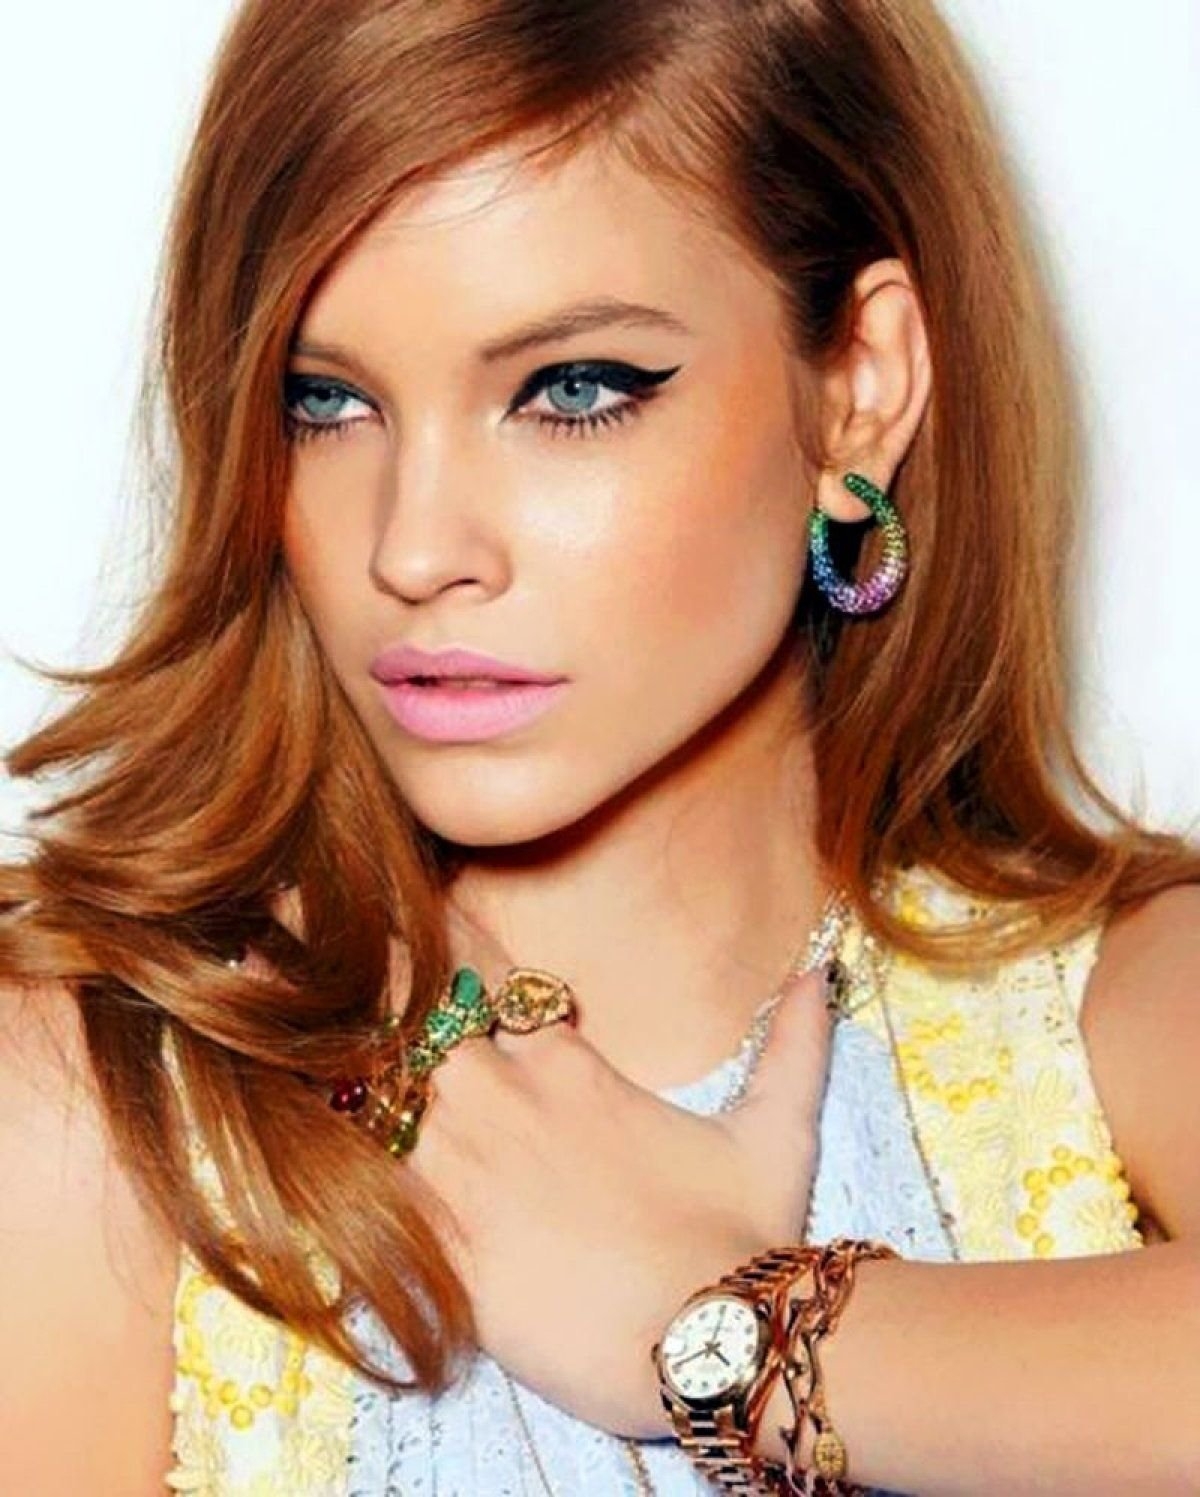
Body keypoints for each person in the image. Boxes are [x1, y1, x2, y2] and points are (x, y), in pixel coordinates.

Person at [1, 0, 1197, 1491]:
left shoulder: (1120, 1009)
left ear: (860, 387)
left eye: (571, 390)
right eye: (327, 400)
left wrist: (722, 1330)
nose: (413, 547)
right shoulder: (98, 1096)